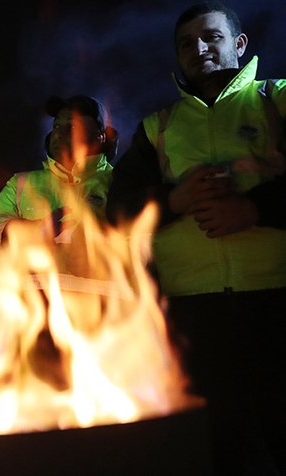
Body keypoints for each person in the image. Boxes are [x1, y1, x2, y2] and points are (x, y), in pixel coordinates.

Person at [104, 2, 286, 474]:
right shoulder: (157, 128)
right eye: (186, 43)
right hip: (193, 315)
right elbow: (117, 212)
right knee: (216, 450)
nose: (199, 49)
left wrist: (254, 208)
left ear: (239, 44)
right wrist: (173, 200)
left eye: (211, 37)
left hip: (277, 304)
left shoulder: (278, 100)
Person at [0, 94, 117, 253]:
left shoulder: (120, 183)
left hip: (99, 278)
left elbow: (140, 239)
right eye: (57, 126)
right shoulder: (21, 183)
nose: (59, 134)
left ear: (100, 136)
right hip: (30, 278)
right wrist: (31, 231)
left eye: (73, 127)